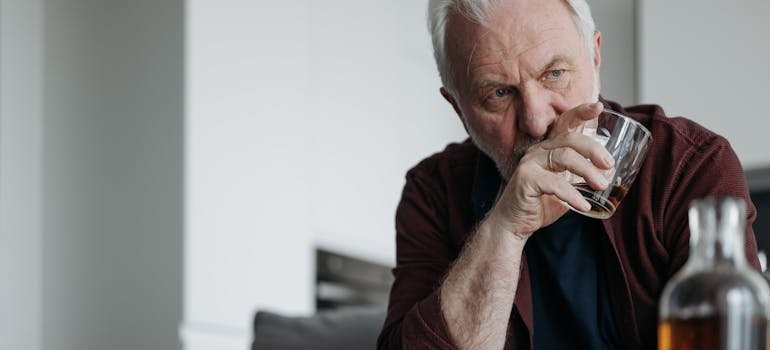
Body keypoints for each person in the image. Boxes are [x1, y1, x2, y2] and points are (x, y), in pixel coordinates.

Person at [377, 0, 761, 349]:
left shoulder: (689, 165)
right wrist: (504, 230)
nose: (537, 120)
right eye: (498, 94)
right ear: (458, 108)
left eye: (555, 73)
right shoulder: (432, 192)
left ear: (595, 57)